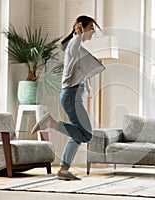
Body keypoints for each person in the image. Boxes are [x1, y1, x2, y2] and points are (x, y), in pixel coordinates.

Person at [31, 15, 104, 180]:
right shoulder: (74, 44)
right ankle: (49, 122)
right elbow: (73, 49)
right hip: (71, 95)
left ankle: (63, 170)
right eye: (91, 28)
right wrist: (77, 34)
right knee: (86, 134)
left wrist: (89, 89)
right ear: (81, 27)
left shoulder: (76, 47)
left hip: (72, 95)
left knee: (77, 135)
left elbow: (80, 71)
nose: (92, 32)